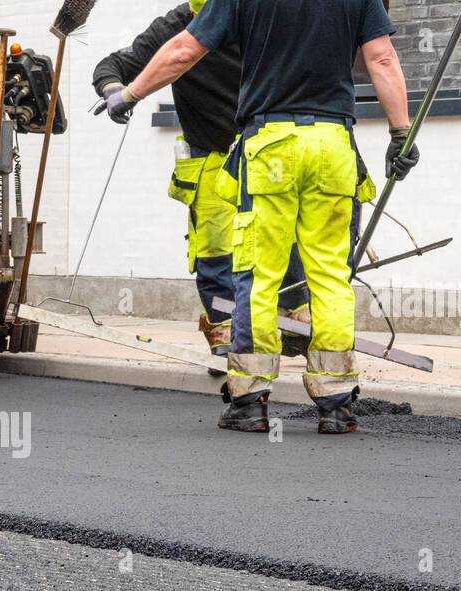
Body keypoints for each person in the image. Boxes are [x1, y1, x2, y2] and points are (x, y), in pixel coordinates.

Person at [104, 0, 418, 434]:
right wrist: (401, 133)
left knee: (260, 274)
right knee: (329, 276)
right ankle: (336, 402)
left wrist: (130, 93)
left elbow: (183, 51)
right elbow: (381, 58)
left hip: (271, 147)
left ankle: (250, 401)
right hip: (333, 145)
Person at [92, 0, 310, 358]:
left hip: (264, 147)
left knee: (280, 234)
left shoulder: (254, 17)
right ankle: (223, 328)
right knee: (214, 247)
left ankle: (295, 316)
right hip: (210, 155)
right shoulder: (171, 28)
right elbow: (112, 65)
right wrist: (114, 90)